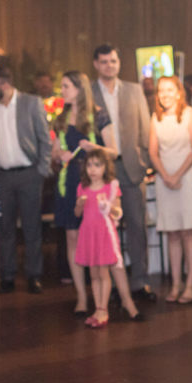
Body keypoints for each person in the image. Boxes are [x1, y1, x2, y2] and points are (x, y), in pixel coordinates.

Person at [91, 45, 156, 302]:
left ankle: (140, 280)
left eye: (114, 61)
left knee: (136, 226)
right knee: (105, 228)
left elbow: (145, 128)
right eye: (105, 62)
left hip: (130, 167)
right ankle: (110, 283)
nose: (110, 65)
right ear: (96, 64)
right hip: (100, 169)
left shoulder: (134, 89)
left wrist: (144, 163)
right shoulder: (90, 92)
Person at [52, 71, 113, 315]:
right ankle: (81, 296)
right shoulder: (61, 118)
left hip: (94, 186)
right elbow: (54, 152)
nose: (62, 90)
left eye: (66, 86)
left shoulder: (98, 115)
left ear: (79, 88)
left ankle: (100, 297)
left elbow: (114, 151)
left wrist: (94, 147)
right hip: (68, 187)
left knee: (96, 240)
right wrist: (59, 155)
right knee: (72, 238)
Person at [0, 66, 52, 293]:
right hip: (1, 176)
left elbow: (45, 139)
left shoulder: (31, 102)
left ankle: (34, 275)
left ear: (4, 84)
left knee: (32, 228)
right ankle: (7, 276)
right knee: (5, 229)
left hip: (29, 174)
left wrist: (41, 170)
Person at [149, 75, 192, 303]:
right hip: (165, 181)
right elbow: (153, 152)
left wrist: (177, 175)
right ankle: (175, 283)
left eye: (170, 90)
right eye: (161, 90)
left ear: (179, 92)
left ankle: (190, 284)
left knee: (187, 232)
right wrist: (165, 175)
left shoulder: (191, 114)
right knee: (171, 233)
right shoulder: (156, 117)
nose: (165, 94)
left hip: (186, 178)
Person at [74, 147, 142, 327]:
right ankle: (98, 308)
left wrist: (108, 207)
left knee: (104, 272)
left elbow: (118, 211)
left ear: (106, 167)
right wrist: (79, 204)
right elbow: (77, 213)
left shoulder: (110, 187)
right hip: (88, 235)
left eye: (97, 165)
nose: (93, 169)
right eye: (89, 165)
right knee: (94, 274)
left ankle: (103, 310)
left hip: (103, 234)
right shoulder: (83, 187)